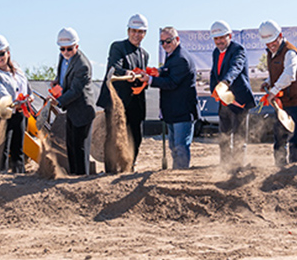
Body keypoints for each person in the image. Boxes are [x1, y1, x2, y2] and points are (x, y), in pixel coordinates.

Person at [96, 14, 150, 165]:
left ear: (144, 34)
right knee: (113, 136)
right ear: (128, 31)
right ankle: (111, 170)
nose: (136, 35)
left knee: (136, 137)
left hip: (135, 103)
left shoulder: (145, 55)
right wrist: (126, 73)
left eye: (140, 32)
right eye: (133, 31)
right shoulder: (117, 47)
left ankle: (129, 166)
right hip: (116, 100)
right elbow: (114, 67)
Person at [144, 26, 199, 169]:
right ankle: (176, 174)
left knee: (180, 147)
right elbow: (169, 72)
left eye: (168, 41)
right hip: (174, 112)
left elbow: (173, 82)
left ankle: (180, 177)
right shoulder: (173, 56)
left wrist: (150, 80)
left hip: (182, 112)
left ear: (177, 40)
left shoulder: (181, 58)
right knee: (175, 146)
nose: (164, 45)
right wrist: (158, 72)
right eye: (161, 42)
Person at [260, 20, 297, 167]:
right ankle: (280, 168)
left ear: (280, 35)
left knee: (294, 138)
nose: (270, 45)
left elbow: (289, 75)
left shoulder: (290, 52)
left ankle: (294, 169)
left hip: (296, 102)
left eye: (272, 41)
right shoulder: (271, 52)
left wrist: (273, 91)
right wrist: (269, 82)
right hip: (282, 103)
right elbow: (278, 72)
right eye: (267, 43)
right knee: (279, 137)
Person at [209, 20, 254, 168]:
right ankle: (225, 166)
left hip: (239, 101)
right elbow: (214, 73)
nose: (219, 41)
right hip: (223, 102)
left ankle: (238, 167)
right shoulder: (216, 52)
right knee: (224, 137)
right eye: (216, 38)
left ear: (230, 35)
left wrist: (225, 83)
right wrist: (213, 90)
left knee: (239, 138)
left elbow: (236, 67)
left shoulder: (238, 50)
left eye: (222, 37)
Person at [0, 34, 32, 173]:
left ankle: (19, 175)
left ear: (8, 53)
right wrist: (15, 102)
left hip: (19, 111)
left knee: (18, 147)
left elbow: (26, 85)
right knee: (2, 148)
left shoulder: (16, 68)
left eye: (1, 54)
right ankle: (0, 176)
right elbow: (1, 93)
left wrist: (29, 96)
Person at [51, 27, 96, 175]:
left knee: (80, 147)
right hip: (71, 108)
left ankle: (81, 179)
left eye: (69, 49)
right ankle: (74, 176)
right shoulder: (62, 58)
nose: (65, 52)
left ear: (77, 46)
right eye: (62, 49)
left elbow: (76, 91)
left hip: (82, 110)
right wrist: (57, 83)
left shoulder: (82, 65)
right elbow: (64, 78)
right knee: (71, 144)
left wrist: (58, 102)